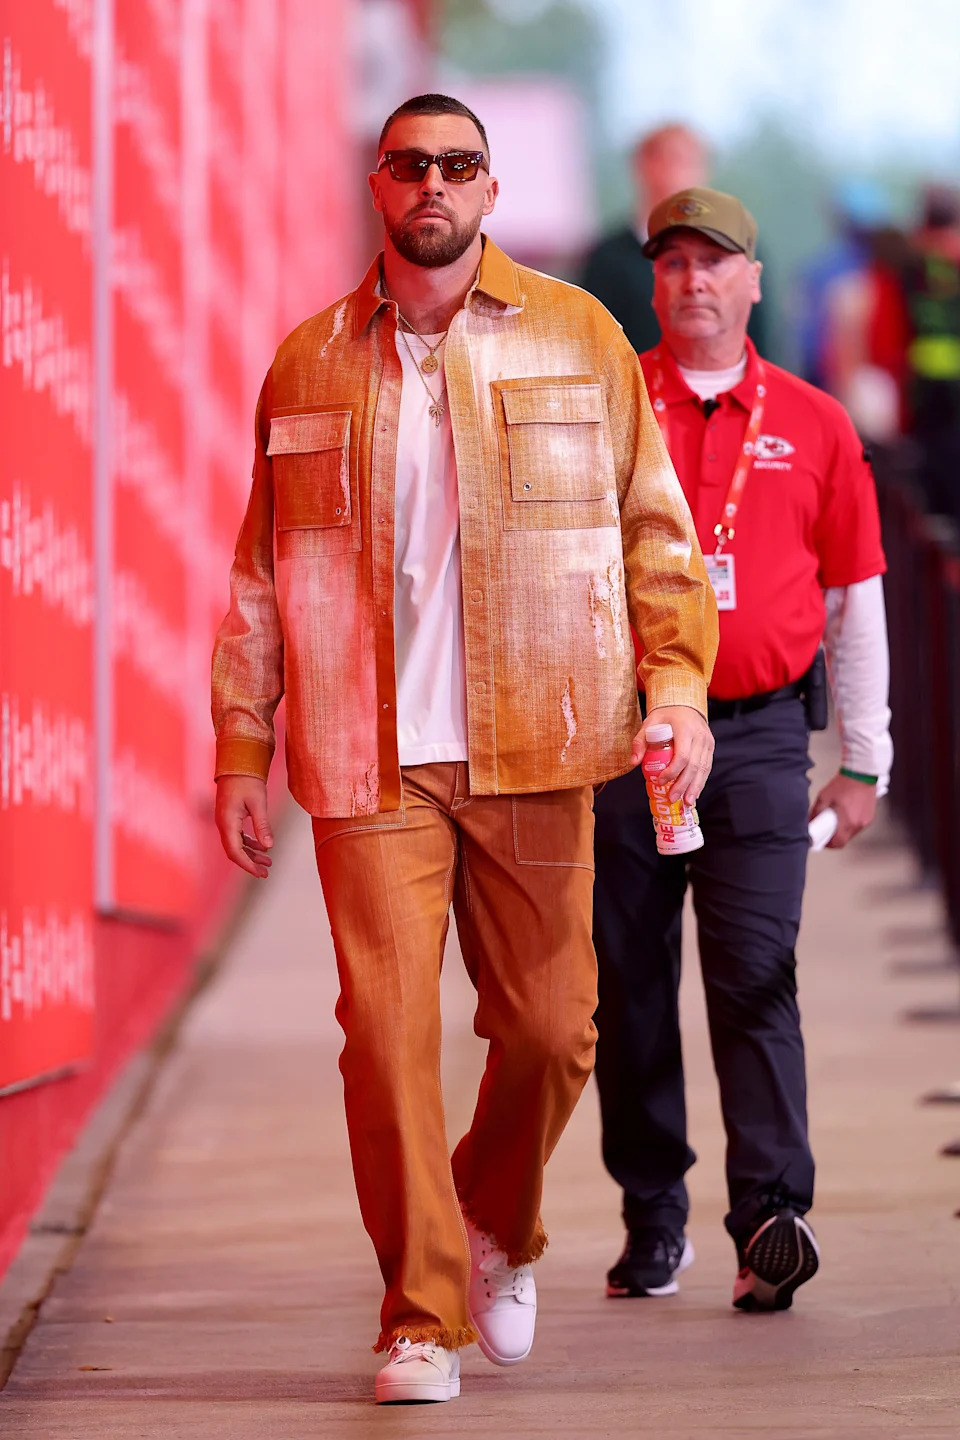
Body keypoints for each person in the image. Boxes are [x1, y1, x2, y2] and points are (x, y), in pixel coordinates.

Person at [211, 95, 718, 1405]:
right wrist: (239, 741)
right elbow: (262, 577)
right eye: (409, 165)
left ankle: (497, 1221)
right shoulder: (309, 363)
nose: (432, 184)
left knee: (552, 1032)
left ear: (491, 188)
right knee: (384, 1041)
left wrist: (679, 691)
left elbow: (654, 534)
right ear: (377, 186)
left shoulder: (579, 334)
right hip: (365, 758)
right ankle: (420, 1311)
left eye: (458, 165)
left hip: (539, 743)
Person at [592, 187, 892, 1314]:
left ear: (754, 281)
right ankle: (650, 1218)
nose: (693, 281)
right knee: (627, 985)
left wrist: (866, 759)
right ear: (656, 281)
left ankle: (771, 1217)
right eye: (672, 263)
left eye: (714, 262)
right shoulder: (605, 401)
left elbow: (856, 594)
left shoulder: (815, 422)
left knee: (757, 974)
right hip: (626, 739)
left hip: (762, 736)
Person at [579, 124, 768, 356]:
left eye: (687, 161)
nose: (675, 172)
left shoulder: (738, 249)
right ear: (640, 167)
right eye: (665, 159)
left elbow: (760, 342)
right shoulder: (607, 258)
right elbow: (590, 344)